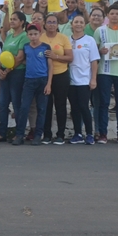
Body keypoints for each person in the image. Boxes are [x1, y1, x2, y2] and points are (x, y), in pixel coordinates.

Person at [93, 3, 118, 144]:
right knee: (104, 102)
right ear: (107, 16)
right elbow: (94, 52)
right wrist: (100, 51)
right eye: (112, 13)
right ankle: (102, 133)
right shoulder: (100, 31)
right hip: (104, 70)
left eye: (117, 14)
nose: (114, 16)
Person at [12, 24, 52, 146]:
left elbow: (50, 66)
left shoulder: (45, 47)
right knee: (24, 108)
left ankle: (38, 135)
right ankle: (20, 135)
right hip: (29, 80)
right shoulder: (26, 47)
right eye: (30, 34)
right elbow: (24, 60)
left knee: (41, 109)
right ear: (27, 35)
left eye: (35, 34)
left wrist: (49, 84)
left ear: (40, 34)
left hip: (42, 80)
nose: (33, 36)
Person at [40, 12, 72, 144]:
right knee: (46, 106)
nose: (51, 25)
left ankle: (60, 134)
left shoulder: (63, 38)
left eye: (54, 22)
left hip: (61, 75)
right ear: (44, 24)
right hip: (45, 76)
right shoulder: (40, 38)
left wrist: (56, 57)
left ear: (58, 25)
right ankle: (47, 134)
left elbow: (70, 57)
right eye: (49, 22)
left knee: (60, 105)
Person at [66, 15, 99, 144]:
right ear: (72, 25)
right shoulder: (67, 40)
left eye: (81, 22)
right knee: (74, 108)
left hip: (84, 80)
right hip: (70, 80)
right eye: (76, 22)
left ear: (84, 25)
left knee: (84, 106)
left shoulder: (89, 40)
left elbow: (94, 61)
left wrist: (93, 79)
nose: (78, 24)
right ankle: (78, 133)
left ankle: (89, 134)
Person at [0, 9, 28, 141]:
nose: (12, 21)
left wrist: (7, 71)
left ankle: (19, 133)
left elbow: (20, 57)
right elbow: (4, 54)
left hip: (17, 73)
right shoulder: (10, 36)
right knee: (3, 103)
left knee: (16, 104)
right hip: (5, 73)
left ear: (22, 22)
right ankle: (2, 132)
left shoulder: (24, 36)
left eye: (15, 19)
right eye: (11, 19)